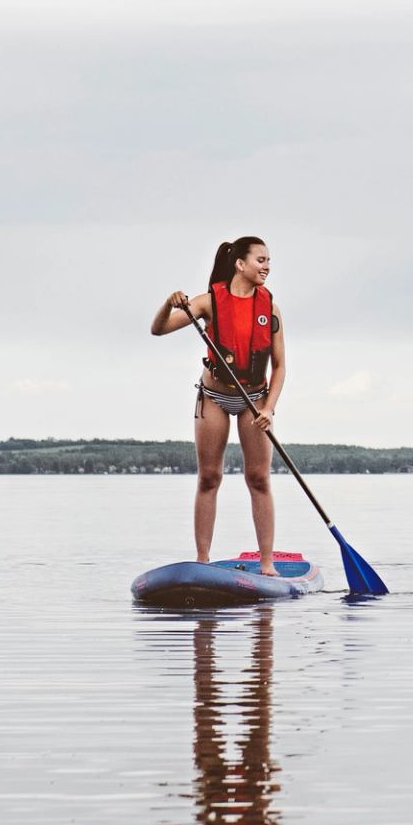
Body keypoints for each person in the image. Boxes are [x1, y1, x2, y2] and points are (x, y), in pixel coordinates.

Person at [150, 236, 287, 576]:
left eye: (269, 260)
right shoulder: (210, 302)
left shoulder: (270, 308)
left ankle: (267, 563)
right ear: (240, 264)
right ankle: (202, 560)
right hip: (213, 397)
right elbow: (158, 329)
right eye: (261, 260)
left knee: (258, 478)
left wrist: (269, 408)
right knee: (210, 477)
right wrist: (169, 303)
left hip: (255, 401)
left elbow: (280, 366)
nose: (267, 266)